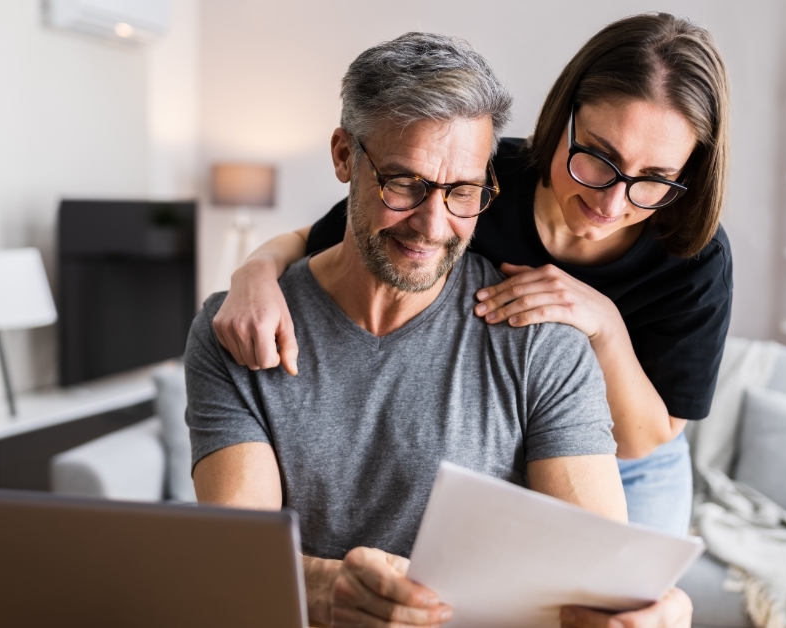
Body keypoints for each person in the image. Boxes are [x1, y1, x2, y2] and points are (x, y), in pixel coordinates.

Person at [189, 32, 691, 628]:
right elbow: (235, 567)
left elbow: (603, 579)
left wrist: (664, 608)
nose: (433, 225)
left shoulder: (542, 342)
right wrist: (323, 589)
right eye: (404, 183)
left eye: (463, 192)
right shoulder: (241, 331)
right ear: (344, 156)